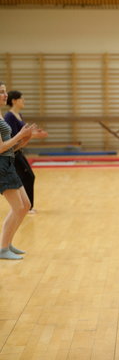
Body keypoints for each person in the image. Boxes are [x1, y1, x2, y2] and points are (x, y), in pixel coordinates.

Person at [0, 82, 35, 260]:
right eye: (1, 92)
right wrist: (19, 136)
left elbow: (8, 148)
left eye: (5, 92)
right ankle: (3, 248)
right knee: (17, 207)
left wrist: (24, 141)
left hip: (8, 162)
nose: (4, 95)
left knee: (25, 205)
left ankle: (8, 243)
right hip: (2, 166)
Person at [5, 90, 48, 214]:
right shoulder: (9, 117)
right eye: (21, 99)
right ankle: (26, 207)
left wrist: (35, 133)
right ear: (14, 101)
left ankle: (27, 206)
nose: (24, 101)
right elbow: (14, 136)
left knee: (27, 177)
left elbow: (24, 134)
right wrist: (33, 136)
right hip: (13, 152)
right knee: (27, 176)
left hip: (19, 151)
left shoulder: (19, 115)